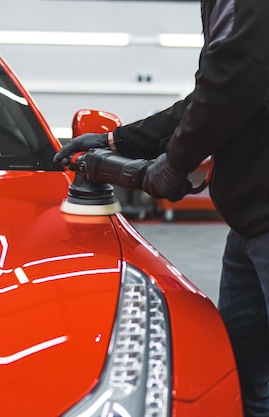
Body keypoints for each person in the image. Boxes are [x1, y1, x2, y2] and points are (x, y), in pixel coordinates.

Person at [54, 1, 269, 415]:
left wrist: (172, 165)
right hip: (248, 221)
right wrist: (118, 141)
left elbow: (234, 82)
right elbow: (214, 90)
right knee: (240, 377)